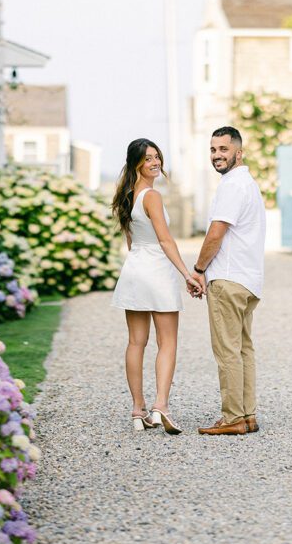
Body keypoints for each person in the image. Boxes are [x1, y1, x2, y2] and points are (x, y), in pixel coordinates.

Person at [110, 138, 203, 435]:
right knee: (168, 342)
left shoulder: (126, 195)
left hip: (134, 270)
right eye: (148, 158)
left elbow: (131, 242)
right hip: (156, 272)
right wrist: (187, 273)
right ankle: (159, 406)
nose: (155, 162)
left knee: (136, 342)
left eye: (157, 157)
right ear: (136, 162)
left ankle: (137, 409)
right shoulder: (152, 195)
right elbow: (165, 240)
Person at [190, 126, 266, 436]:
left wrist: (198, 268)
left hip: (228, 279)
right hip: (248, 280)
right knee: (243, 350)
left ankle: (233, 417)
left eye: (223, 149)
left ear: (239, 152)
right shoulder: (247, 183)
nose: (217, 155)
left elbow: (217, 232)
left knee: (226, 351)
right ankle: (247, 416)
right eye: (213, 150)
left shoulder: (232, 186)